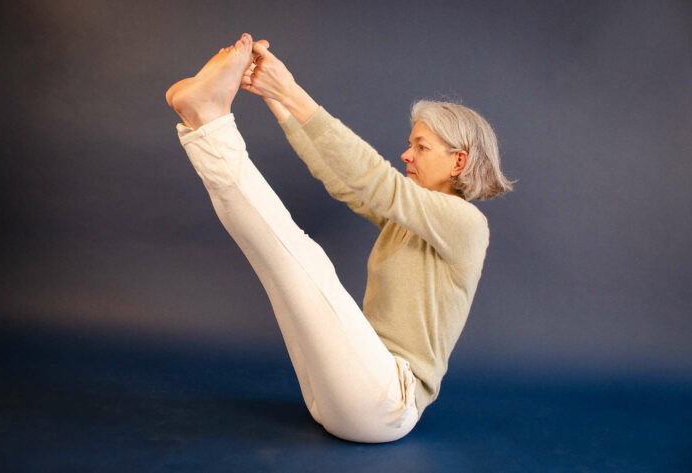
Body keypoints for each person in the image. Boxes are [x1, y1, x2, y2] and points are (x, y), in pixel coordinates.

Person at [165, 33, 514, 443]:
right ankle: (205, 122)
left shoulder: (468, 225)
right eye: (409, 145)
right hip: (337, 398)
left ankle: (210, 122)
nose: (407, 155)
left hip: (387, 405)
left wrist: (293, 92)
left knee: (302, 258)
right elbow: (344, 181)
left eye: (420, 147)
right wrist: (274, 100)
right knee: (277, 266)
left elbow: (379, 182)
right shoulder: (406, 222)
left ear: (459, 161)